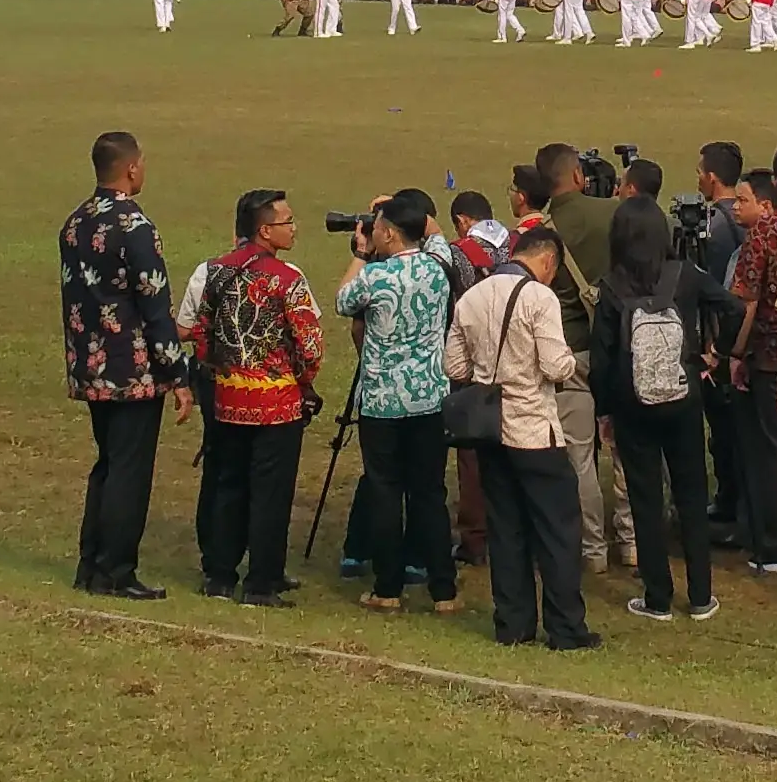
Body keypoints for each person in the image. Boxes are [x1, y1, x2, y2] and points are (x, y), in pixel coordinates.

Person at [445, 221, 599, 649]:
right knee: (557, 531)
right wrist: (568, 364)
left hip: (491, 432)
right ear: (547, 260)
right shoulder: (539, 297)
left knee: (506, 529)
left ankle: (512, 624)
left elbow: (453, 366)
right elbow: (554, 365)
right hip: (534, 429)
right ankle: (566, 627)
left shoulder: (472, 296)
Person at [59, 130, 193, 600]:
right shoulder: (134, 226)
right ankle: (117, 570)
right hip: (133, 371)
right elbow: (154, 308)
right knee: (129, 473)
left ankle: (90, 564)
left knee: (108, 465)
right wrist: (178, 375)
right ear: (132, 168)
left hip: (91, 366)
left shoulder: (75, 223)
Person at [189, 190, 325, 605]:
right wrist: (302, 381)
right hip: (277, 402)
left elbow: (200, 332)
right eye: (287, 221)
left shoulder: (215, 271)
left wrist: (220, 370)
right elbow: (310, 344)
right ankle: (263, 580)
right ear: (265, 230)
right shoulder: (287, 279)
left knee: (228, 483)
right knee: (270, 491)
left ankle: (219, 574)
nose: (293, 227)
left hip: (228, 396)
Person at [598, 201, 727, 621]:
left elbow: (602, 360)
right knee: (691, 494)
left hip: (632, 404)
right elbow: (732, 305)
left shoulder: (612, 287)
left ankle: (657, 596)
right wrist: (715, 353)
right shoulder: (685, 275)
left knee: (645, 499)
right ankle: (701, 594)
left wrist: (605, 412)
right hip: (683, 397)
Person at [333, 193, 460, 613]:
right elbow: (436, 234)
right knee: (429, 494)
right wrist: (408, 208)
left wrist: (360, 254)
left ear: (386, 233)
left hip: (382, 401)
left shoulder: (376, 276)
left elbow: (342, 300)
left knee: (386, 492)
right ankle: (444, 591)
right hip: (428, 396)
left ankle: (387, 588)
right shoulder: (438, 265)